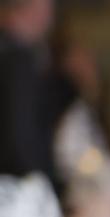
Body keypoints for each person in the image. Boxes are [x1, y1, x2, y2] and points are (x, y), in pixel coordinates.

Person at [0, 0, 57, 180]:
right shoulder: (18, 59)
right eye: (47, 9)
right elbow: (20, 140)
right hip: (12, 188)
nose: (50, 19)